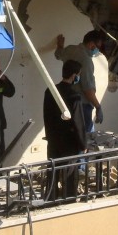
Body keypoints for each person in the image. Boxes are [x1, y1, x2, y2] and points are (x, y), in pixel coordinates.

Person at [43, 59, 87, 199]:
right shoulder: (74, 96)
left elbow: (46, 116)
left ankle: (51, 198)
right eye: (78, 75)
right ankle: (68, 199)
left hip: (53, 139)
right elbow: (78, 123)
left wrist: (49, 135)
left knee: (53, 171)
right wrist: (83, 144)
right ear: (74, 76)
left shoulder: (50, 91)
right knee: (69, 173)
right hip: (69, 141)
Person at [53, 30, 108, 138]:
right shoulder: (86, 61)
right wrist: (98, 106)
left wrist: (60, 45)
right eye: (98, 47)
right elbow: (88, 89)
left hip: (68, 101)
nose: (98, 50)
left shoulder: (70, 49)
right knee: (86, 139)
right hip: (82, 105)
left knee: (71, 137)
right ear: (92, 44)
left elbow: (58, 54)